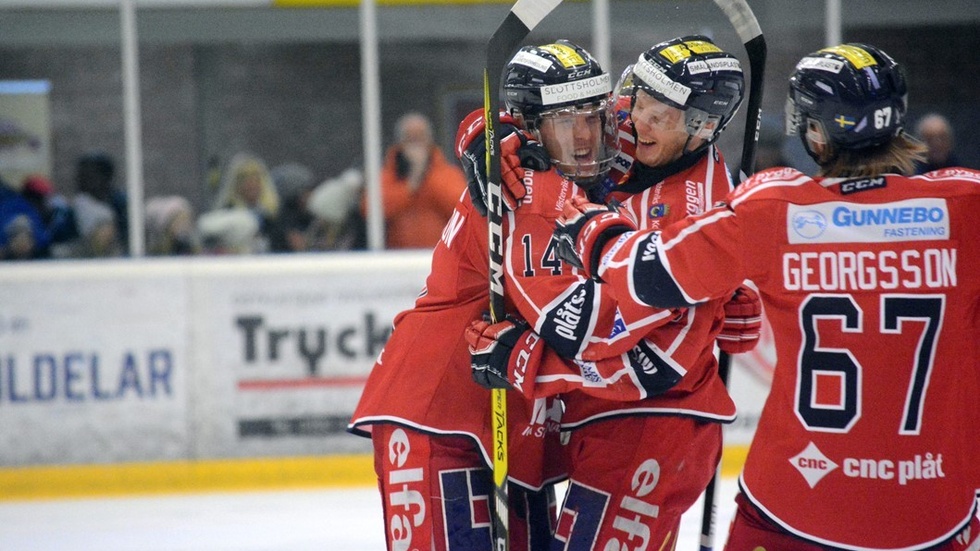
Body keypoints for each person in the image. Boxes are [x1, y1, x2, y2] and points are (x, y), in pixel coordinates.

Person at [553, 43, 980, 551]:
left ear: (813, 130)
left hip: (796, 500)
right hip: (933, 510)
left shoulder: (777, 208)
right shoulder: (965, 207)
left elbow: (642, 275)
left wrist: (577, 221)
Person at [458, 36, 757, 549]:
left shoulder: (697, 213)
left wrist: (530, 361)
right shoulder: (628, 125)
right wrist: (487, 135)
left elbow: (654, 362)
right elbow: (535, 117)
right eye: (637, 100)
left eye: (659, 116)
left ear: (701, 127)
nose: (633, 121)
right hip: (594, 414)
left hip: (657, 419)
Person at [348, 40, 623, 551]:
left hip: (506, 419)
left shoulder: (548, 177)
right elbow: (576, 328)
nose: (585, 137)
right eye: (566, 122)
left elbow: (654, 118)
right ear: (532, 128)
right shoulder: (528, 192)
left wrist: (482, 127)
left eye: (592, 117)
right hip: (438, 412)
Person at [367, 111, 467, 249]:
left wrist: (426, 174)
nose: (415, 147)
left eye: (420, 139)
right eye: (410, 139)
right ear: (400, 143)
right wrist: (410, 184)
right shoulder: (388, 174)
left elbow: (461, 208)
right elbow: (370, 209)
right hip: (395, 259)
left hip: (439, 255)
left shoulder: (446, 172)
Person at [211, 152, 281, 254]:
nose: (251, 185)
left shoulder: (272, 216)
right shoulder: (227, 213)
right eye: (246, 180)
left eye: (255, 180)